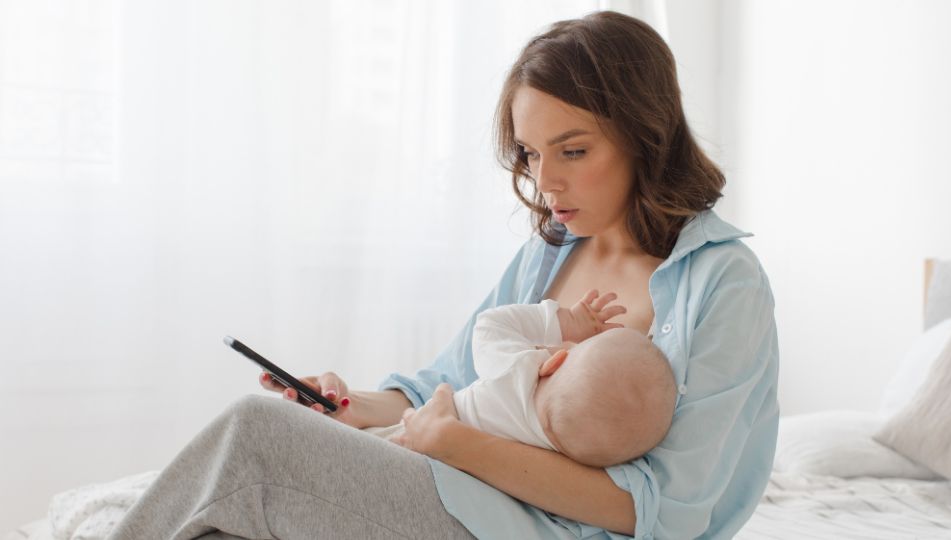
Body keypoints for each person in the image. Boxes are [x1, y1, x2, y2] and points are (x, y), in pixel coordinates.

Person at [105, 10, 778, 540]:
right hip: (471, 489)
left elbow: (667, 515)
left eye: (573, 150)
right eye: (531, 154)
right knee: (236, 522)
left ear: (645, 134)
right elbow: (444, 384)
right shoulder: (553, 252)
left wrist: (456, 445)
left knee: (255, 437)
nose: (545, 181)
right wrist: (350, 407)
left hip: (535, 525)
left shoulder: (723, 284)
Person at [375, 290, 677, 469]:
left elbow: (490, 325)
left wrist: (563, 324)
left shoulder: (519, 370)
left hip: (403, 440)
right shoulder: (554, 456)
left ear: (555, 362)